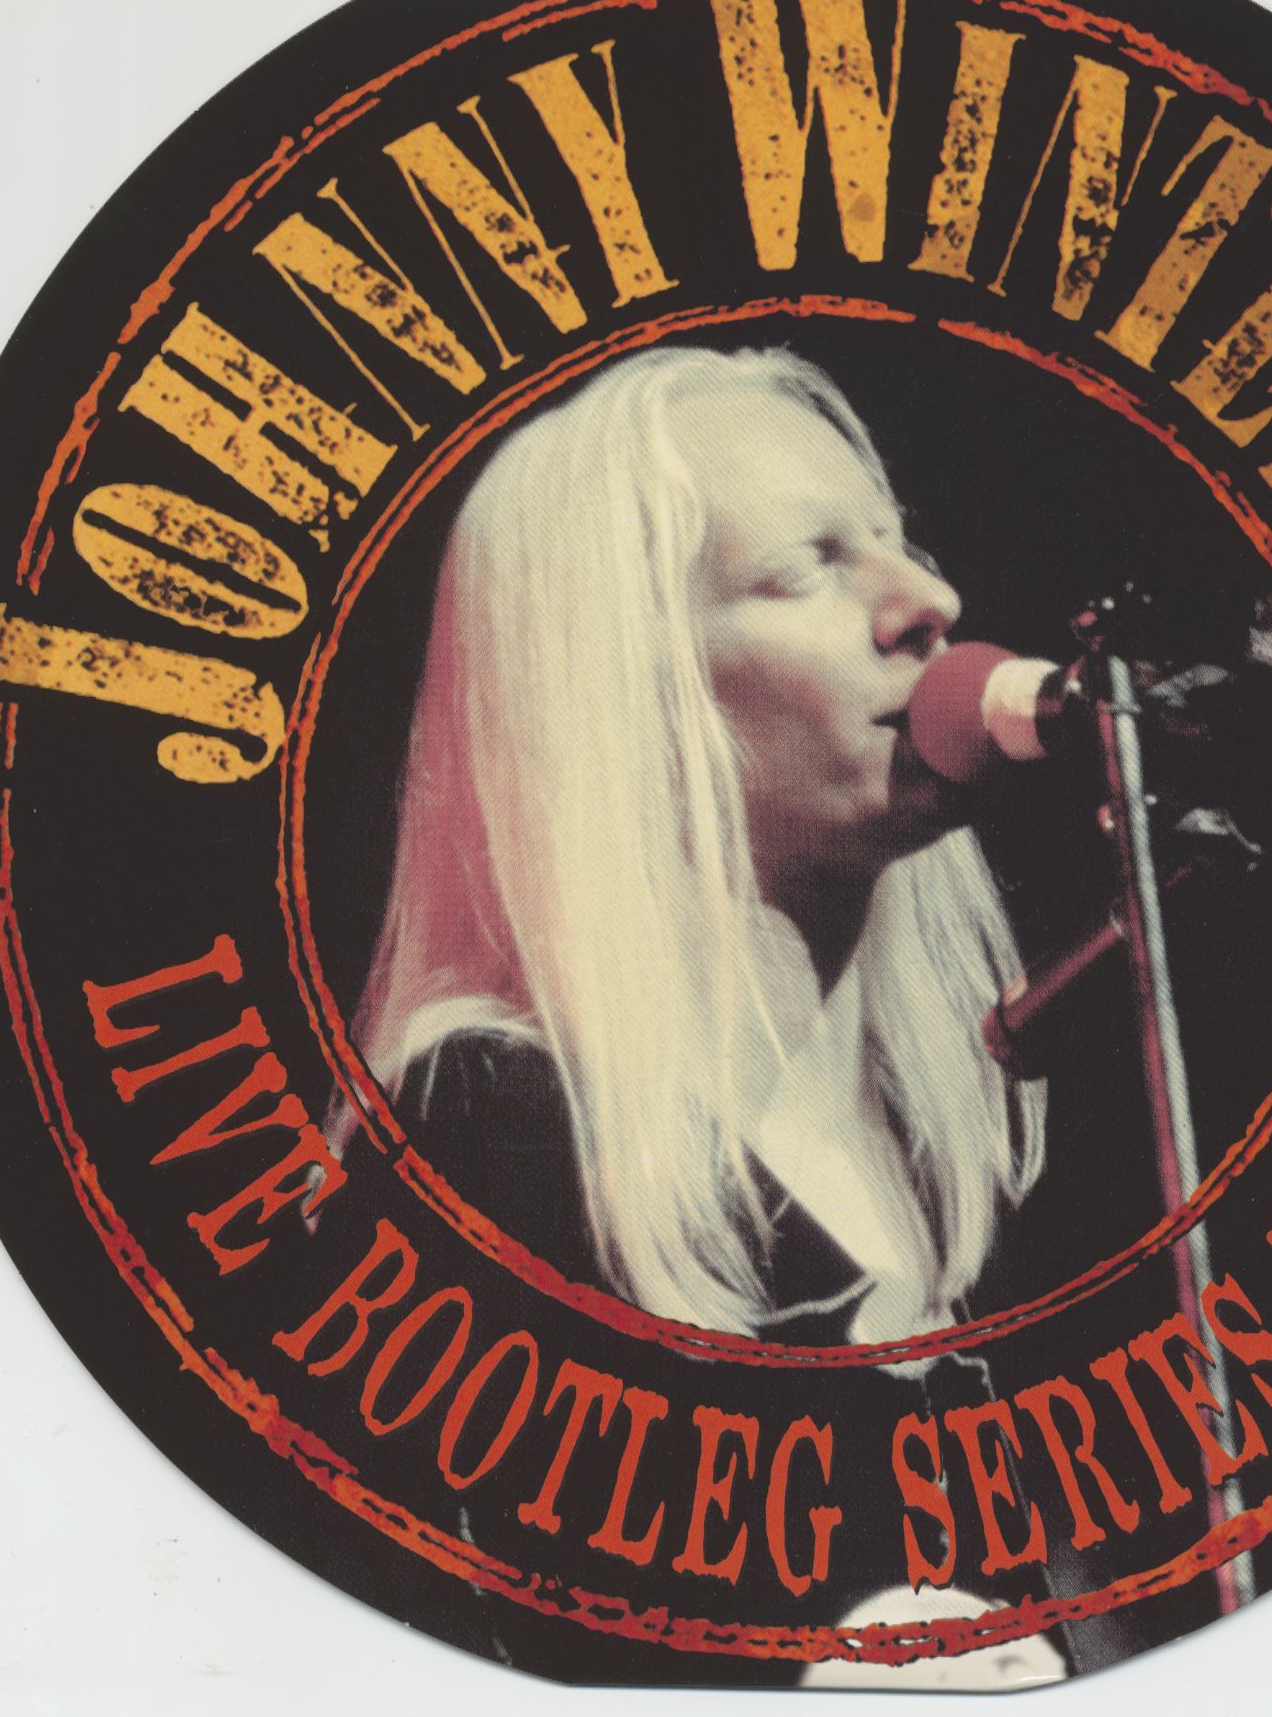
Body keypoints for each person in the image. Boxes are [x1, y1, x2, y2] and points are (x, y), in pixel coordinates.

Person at [345, 343, 1046, 1352]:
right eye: (804, 569)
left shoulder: (964, 1145)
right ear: (630, 692)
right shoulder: (487, 1129)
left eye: (899, 542)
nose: (929, 601)